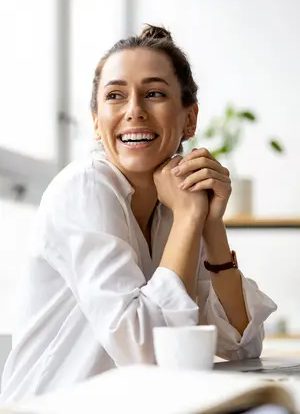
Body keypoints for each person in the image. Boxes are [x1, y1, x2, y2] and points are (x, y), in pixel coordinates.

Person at [0, 25, 277, 402]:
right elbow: (146, 351)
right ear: (97, 122)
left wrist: (210, 222)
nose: (134, 111)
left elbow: (242, 346)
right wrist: (189, 219)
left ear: (190, 119)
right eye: (115, 95)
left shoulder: (174, 203)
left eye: (154, 93)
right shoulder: (85, 189)